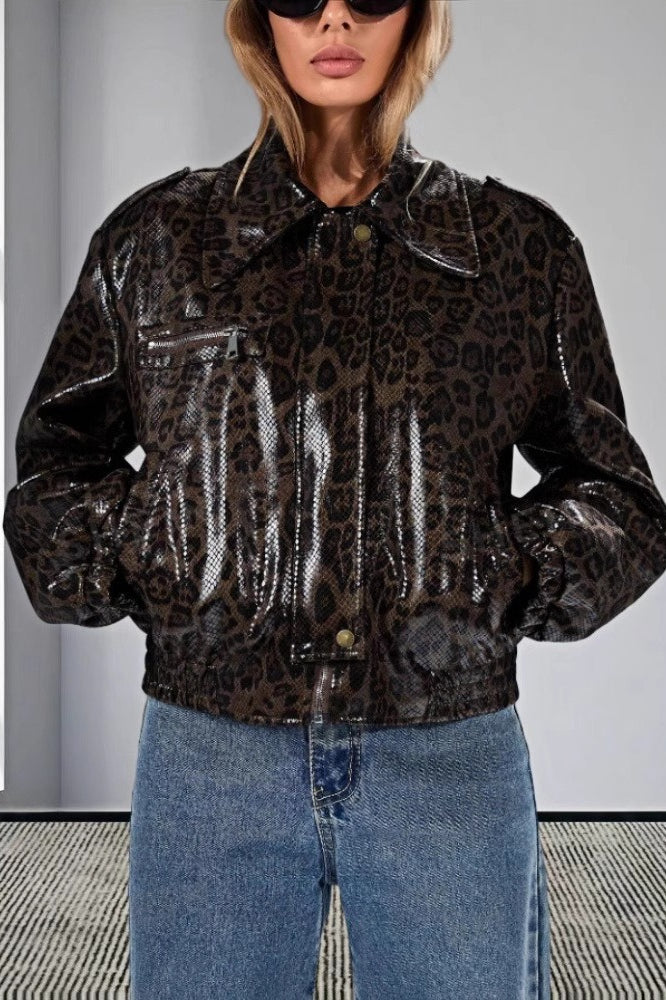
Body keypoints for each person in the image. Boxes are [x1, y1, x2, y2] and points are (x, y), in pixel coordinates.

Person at [4, 1, 666, 997]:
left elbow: (617, 494)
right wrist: (160, 548)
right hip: (212, 754)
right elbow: (54, 469)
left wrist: (496, 572)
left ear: (420, 15)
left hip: (446, 750)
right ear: (256, 17)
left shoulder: (513, 248)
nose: (336, 17)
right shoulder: (160, 241)